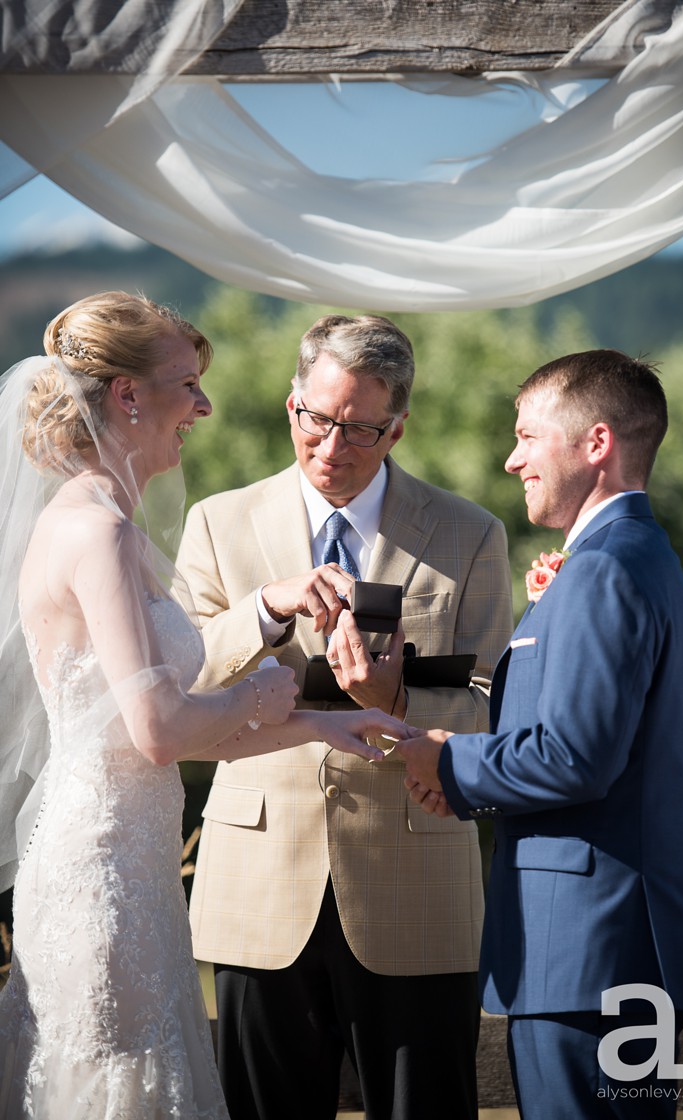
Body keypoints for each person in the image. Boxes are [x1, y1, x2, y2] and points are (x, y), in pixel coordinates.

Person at [0, 292, 405, 1119]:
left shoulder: (108, 520)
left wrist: (330, 723)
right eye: (187, 384)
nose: (204, 405)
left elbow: (176, 728)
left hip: (133, 859)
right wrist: (256, 690)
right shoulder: (96, 531)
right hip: (100, 871)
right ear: (128, 396)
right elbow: (160, 732)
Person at [177, 314, 511, 1120]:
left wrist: (395, 702)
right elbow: (179, 683)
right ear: (292, 403)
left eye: (359, 430)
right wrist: (262, 609)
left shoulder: (470, 535)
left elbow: (498, 710)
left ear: (397, 426)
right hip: (259, 880)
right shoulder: (218, 524)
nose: (331, 447)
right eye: (316, 421)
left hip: (416, 880)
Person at [394, 349, 683, 1119]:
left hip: (593, 955)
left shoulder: (605, 569)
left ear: (595, 443)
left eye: (528, 437)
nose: (512, 459)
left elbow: (576, 755)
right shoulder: (635, 557)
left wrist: (447, 761)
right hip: (605, 950)